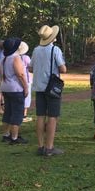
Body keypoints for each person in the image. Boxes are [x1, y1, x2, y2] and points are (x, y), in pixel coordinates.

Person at [29, 25, 67, 156]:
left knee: (40, 116)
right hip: (51, 88)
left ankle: (40, 146)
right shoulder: (55, 50)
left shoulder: (36, 50)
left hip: (39, 87)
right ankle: (49, 147)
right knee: (52, 117)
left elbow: (31, 68)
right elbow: (63, 69)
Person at [0, 38, 29, 144]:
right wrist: (25, 87)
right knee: (17, 113)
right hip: (15, 88)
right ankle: (14, 137)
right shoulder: (15, 58)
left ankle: (5, 134)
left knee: (8, 112)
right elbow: (20, 74)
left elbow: (0, 74)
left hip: (5, 87)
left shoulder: (4, 58)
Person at [18, 41, 33, 123]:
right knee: (26, 97)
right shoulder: (26, 58)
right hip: (26, 80)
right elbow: (30, 67)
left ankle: (19, 114)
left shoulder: (14, 57)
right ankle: (24, 115)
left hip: (18, 80)